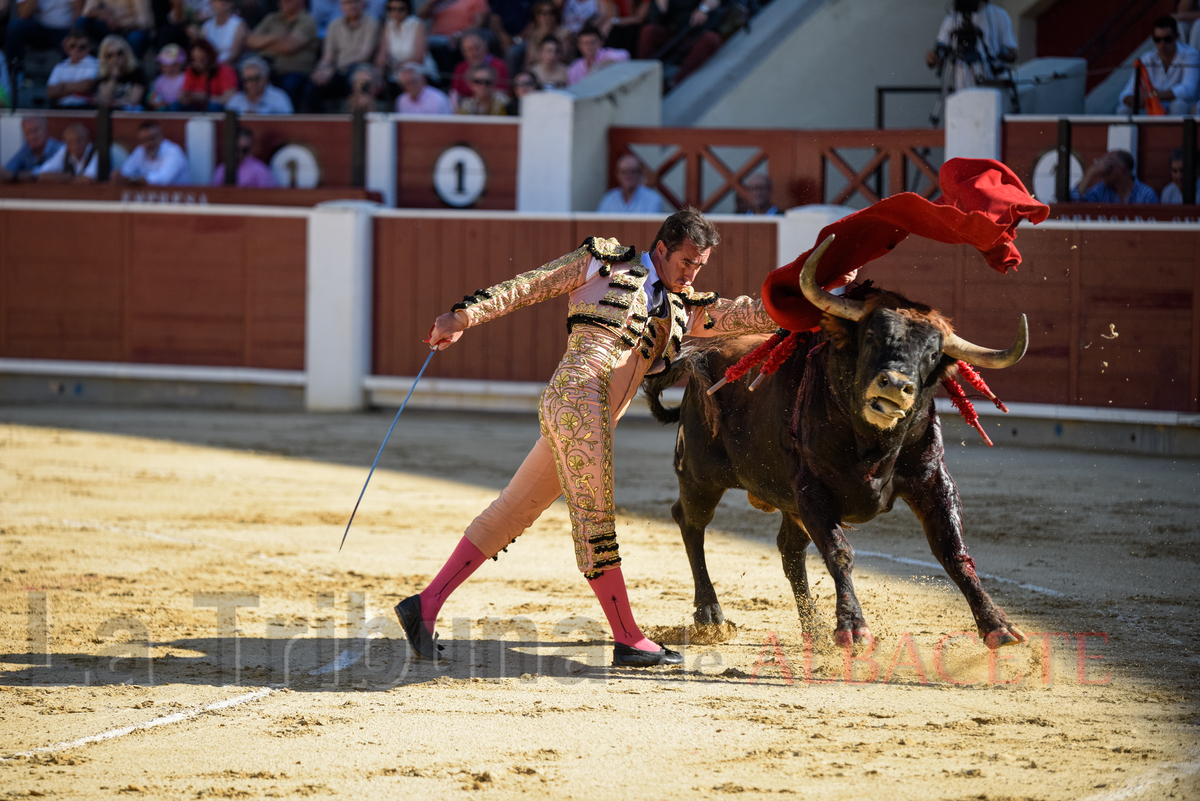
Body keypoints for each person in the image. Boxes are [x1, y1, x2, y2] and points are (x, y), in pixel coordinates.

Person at [396, 209, 780, 667]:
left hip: (588, 413)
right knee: (595, 522)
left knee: (511, 512)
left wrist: (819, 292)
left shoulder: (685, 307)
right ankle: (628, 638)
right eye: (686, 263)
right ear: (661, 248)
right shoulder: (604, 264)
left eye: (699, 266)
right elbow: (528, 286)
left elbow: (748, 316)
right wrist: (463, 315)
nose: (692, 274)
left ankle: (424, 606)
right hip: (579, 400)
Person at [925, 0, 1017, 92]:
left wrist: (999, 56)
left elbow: (1012, 52)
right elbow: (939, 54)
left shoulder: (999, 15)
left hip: (992, 88)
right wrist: (933, 58)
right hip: (962, 90)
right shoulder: (951, 20)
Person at [244, 0, 319, 110]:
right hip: (266, 68)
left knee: (289, 84)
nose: (285, 1)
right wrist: (275, 37)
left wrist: (262, 44)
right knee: (247, 79)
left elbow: (289, 46)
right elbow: (250, 40)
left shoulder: (308, 21)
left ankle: (290, 122)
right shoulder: (271, 18)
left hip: (294, 71)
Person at [307, 0, 379, 111]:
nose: (352, 6)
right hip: (338, 70)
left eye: (356, 2)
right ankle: (318, 124)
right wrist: (322, 69)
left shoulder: (371, 23)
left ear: (363, 4)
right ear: (341, 6)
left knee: (359, 79)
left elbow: (363, 56)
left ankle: (356, 123)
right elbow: (328, 56)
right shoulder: (334, 25)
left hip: (359, 68)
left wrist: (333, 68)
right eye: (348, 3)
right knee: (314, 82)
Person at [1119, 15, 1199, 114]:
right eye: (1157, 39)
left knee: (1178, 105)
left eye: (1167, 39)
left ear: (1176, 36)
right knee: (1124, 109)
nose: (1162, 44)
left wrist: (1152, 96)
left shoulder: (1190, 55)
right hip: (1153, 106)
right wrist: (1133, 99)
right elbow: (1127, 91)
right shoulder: (1147, 58)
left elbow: (1188, 90)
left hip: (1183, 106)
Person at [638, 0, 724, 86]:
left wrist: (703, 9)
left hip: (698, 33)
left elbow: (714, 1)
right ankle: (642, 77)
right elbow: (657, 18)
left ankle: (675, 82)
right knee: (649, 31)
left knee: (710, 39)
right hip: (674, 35)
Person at [7, 0, 77, 76]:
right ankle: (14, 75)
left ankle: (69, 78)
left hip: (65, 28)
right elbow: (24, 14)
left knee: (74, 43)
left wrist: (73, 35)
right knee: (15, 26)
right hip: (39, 27)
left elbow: (78, 12)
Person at [114, 120, 190, 185]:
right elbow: (125, 172)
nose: (149, 143)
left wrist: (133, 180)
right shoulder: (140, 151)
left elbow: (163, 179)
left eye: (152, 138)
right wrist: (118, 176)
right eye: (145, 140)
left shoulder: (173, 151)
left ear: (161, 137)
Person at [34, 121, 116, 181]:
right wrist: (69, 177)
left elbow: (87, 179)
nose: (75, 145)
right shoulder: (64, 151)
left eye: (79, 140)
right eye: (70, 142)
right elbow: (42, 174)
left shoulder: (98, 151)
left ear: (88, 141)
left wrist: (64, 177)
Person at [1072, 150, 1159, 204]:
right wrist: (1090, 173)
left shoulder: (1146, 195)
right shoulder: (1101, 189)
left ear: (1120, 169)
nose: (1102, 171)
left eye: (1107, 165)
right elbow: (1076, 201)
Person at [449, 28, 509, 106]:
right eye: (469, 49)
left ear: (486, 46)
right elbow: (455, 97)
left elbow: (501, 96)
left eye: (476, 48)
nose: (473, 53)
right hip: (467, 112)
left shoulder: (499, 66)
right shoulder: (460, 68)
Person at [175, 38, 238, 110]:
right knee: (176, 105)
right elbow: (186, 92)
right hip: (196, 107)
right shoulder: (190, 70)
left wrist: (206, 98)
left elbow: (229, 98)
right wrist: (184, 97)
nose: (198, 63)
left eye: (202, 59)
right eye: (194, 60)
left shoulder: (225, 70)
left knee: (213, 106)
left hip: (219, 110)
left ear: (210, 56)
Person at [374, 0, 427, 81]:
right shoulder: (388, 24)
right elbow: (382, 53)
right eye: (391, 9)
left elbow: (419, 58)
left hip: (417, 71)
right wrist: (379, 68)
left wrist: (398, 64)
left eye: (400, 9)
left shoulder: (417, 24)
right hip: (394, 70)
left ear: (408, 9)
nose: (396, 12)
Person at [79, 0, 153, 58]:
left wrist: (118, 25)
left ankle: (130, 69)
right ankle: (85, 64)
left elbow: (145, 22)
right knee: (81, 22)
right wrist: (99, 13)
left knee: (135, 38)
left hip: (130, 29)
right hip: (108, 28)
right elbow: (86, 12)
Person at [1, 115, 64, 182]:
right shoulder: (26, 150)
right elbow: (8, 172)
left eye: (36, 130)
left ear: (46, 129)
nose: (32, 136)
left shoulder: (61, 149)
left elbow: (45, 173)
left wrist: (16, 176)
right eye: (28, 133)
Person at [46, 29, 99, 108]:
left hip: (85, 107)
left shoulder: (95, 63)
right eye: (72, 46)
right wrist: (77, 90)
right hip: (61, 108)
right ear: (66, 48)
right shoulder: (60, 66)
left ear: (88, 48)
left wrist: (62, 86)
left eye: (82, 47)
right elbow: (50, 92)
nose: (77, 49)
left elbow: (87, 86)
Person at [597, 152, 665, 213]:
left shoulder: (653, 199)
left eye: (633, 171)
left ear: (640, 174)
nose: (628, 176)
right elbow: (599, 224)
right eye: (624, 172)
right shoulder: (609, 198)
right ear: (617, 175)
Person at [225, 54, 294, 112]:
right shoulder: (236, 100)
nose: (253, 82)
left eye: (256, 78)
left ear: (266, 78)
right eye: (249, 79)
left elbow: (287, 124)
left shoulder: (279, 98)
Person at [94, 33, 147, 109]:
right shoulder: (104, 74)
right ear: (104, 58)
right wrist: (113, 77)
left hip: (130, 114)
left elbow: (134, 100)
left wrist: (115, 103)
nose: (115, 58)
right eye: (110, 55)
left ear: (126, 53)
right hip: (110, 113)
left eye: (119, 53)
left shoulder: (136, 71)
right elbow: (104, 100)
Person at [211, 126, 276, 187]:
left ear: (251, 148)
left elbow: (269, 195)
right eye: (236, 149)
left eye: (245, 150)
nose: (240, 154)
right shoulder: (221, 169)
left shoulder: (260, 170)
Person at [147, 42, 187, 109]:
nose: (163, 66)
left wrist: (167, 103)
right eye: (163, 64)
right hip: (161, 108)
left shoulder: (184, 78)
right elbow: (154, 94)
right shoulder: (160, 79)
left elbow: (183, 98)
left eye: (167, 64)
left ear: (178, 64)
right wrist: (155, 101)